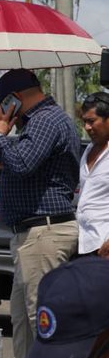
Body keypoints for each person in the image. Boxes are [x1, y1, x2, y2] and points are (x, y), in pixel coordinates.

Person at [0, 69, 80, 358]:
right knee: (22, 318)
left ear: (16, 98)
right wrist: (2, 142)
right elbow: (16, 163)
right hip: (29, 233)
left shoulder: (46, 120)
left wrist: (0, 135)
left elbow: (23, 162)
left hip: (46, 230)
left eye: (4, 106)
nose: (2, 113)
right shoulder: (31, 125)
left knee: (42, 316)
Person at [76, 92, 109, 259]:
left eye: (92, 121)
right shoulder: (88, 150)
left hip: (104, 244)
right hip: (85, 243)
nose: (87, 127)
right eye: (84, 122)